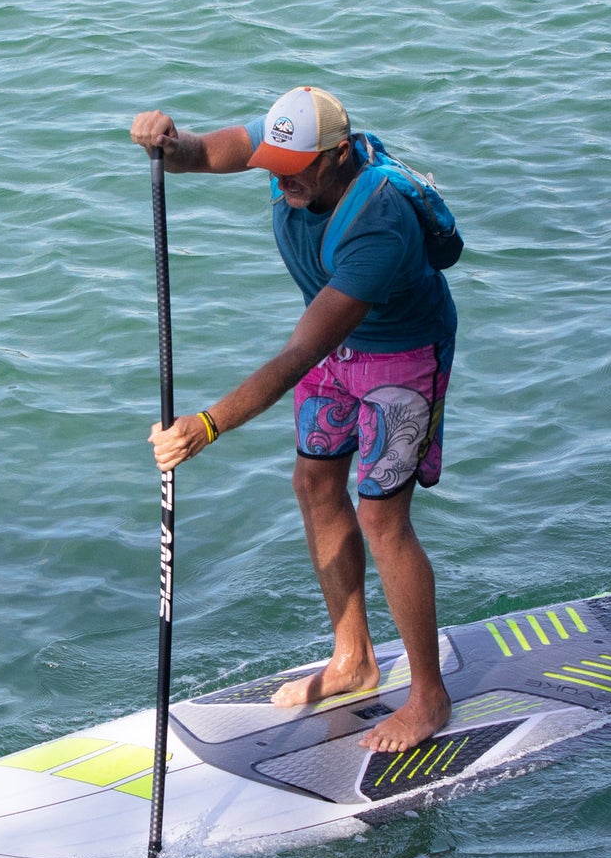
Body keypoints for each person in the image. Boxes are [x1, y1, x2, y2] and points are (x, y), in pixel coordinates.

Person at [128, 86, 459, 753]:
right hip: (334, 349)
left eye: (295, 169)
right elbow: (205, 154)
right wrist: (171, 142)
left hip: (399, 357)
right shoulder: (290, 146)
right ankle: (353, 659)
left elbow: (298, 351)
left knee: (380, 517)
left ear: (337, 155)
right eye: (272, 165)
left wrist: (210, 424)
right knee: (311, 483)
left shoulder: (379, 223)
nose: (280, 181)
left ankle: (428, 697)